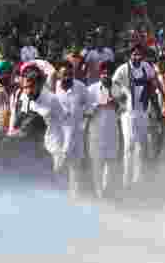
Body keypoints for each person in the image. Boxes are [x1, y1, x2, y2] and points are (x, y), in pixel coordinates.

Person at [113, 44, 157, 190]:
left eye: (140, 55)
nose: (137, 57)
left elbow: (153, 83)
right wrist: (120, 101)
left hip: (143, 111)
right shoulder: (123, 69)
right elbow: (113, 85)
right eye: (134, 54)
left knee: (141, 145)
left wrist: (153, 103)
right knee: (129, 145)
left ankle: (138, 179)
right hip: (128, 113)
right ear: (130, 55)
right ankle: (126, 181)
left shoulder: (146, 67)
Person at [50, 60, 89, 198]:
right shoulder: (53, 87)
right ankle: (57, 195)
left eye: (70, 74)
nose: (67, 77)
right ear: (59, 75)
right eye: (64, 74)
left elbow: (88, 104)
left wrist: (80, 114)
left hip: (76, 132)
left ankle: (75, 196)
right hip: (59, 133)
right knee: (59, 165)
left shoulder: (80, 87)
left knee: (75, 167)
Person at [85, 61, 121, 198]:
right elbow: (86, 110)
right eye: (103, 73)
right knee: (97, 163)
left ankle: (107, 191)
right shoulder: (92, 89)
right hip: (96, 132)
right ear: (100, 74)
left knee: (111, 163)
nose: (106, 75)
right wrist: (99, 104)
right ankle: (98, 193)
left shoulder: (117, 89)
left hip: (112, 131)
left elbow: (124, 109)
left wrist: (115, 103)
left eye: (108, 73)